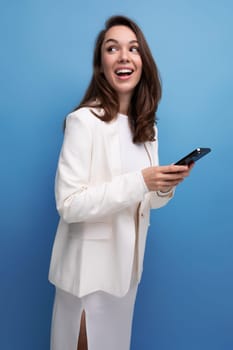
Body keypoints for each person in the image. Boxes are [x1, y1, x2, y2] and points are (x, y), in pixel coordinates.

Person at [48, 15, 193, 350]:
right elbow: (69, 204)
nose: (124, 56)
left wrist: (164, 186)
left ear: (144, 62)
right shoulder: (83, 121)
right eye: (112, 48)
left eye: (133, 48)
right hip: (87, 278)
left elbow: (144, 200)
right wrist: (141, 180)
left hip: (126, 277)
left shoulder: (146, 128)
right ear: (102, 63)